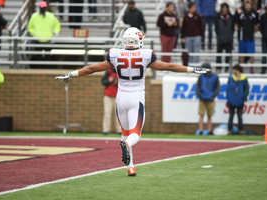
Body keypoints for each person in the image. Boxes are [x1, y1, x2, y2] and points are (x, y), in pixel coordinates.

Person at [55, 27, 210, 176]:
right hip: (136, 97)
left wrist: (70, 74)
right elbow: (168, 66)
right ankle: (127, 146)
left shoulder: (115, 54)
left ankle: (130, 168)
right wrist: (192, 69)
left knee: (125, 132)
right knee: (134, 134)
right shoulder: (146, 54)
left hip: (120, 97)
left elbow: (93, 68)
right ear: (138, 40)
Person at [28, 1, 61, 68]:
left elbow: (57, 24)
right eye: (42, 8)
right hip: (38, 39)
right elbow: (30, 27)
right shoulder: (34, 16)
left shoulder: (50, 16)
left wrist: (55, 32)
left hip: (47, 39)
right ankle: (38, 72)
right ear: (39, 8)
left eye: (44, 8)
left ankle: (48, 71)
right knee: (38, 58)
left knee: (48, 58)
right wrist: (34, 33)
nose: (43, 9)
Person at [195, 63, 220, 135]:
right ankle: (201, 130)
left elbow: (217, 88)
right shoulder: (201, 76)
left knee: (209, 116)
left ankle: (209, 130)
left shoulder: (215, 77)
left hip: (210, 99)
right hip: (202, 99)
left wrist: (213, 96)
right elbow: (197, 87)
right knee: (201, 115)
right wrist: (200, 96)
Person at [235, 1, 259, 73]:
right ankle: (241, 68)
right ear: (244, 6)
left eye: (249, 5)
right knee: (241, 54)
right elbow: (237, 22)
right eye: (247, 5)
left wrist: (257, 14)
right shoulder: (241, 15)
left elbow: (256, 22)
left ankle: (251, 68)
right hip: (242, 37)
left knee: (251, 54)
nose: (248, 7)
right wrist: (238, 14)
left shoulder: (253, 14)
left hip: (251, 38)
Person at [226, 64, 249, 135]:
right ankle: (229, 130)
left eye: (234, 69)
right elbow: (227, 89)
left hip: (240, 100)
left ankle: (241, 130)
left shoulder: (244, 78)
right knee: (231, 116)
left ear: (237, 70)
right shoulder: (231, 78)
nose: (233, 71)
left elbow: (246, 89)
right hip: (232, 100)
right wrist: (229, 97)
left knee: (239, 116)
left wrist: (243, 97)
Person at [215, 2, 235, 73]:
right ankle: (218, 68)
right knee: (219, 55)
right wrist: (220, 35)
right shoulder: (218, 17)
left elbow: (232, 28)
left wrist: (229, 35)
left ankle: (227, 68)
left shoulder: (231, 17)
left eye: (226, 8)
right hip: (220, 39)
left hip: (228, 39)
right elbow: (216, 29)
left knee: (228, 55)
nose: (225, 9)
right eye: (223, 8)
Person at [101, 68, 121, 135]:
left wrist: (117, 83)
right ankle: (106, 129)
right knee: (107, 113)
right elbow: (103, 81)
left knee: (118, 114)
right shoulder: (108, 71)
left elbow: (124, 83)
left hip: (118, 96)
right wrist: (109, 81)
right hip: (108, 95)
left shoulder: (121, 70)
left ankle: (119, 130)